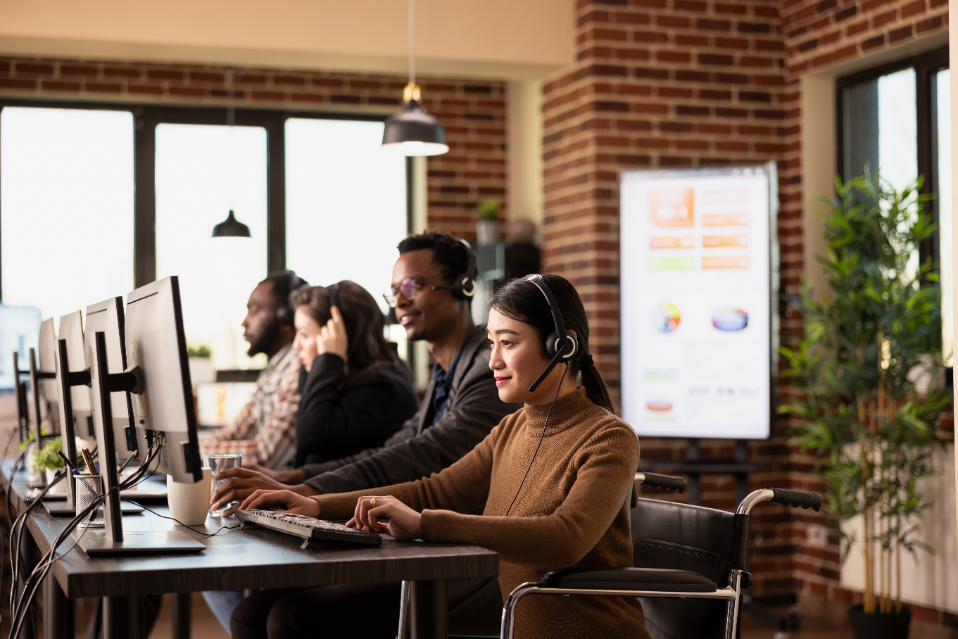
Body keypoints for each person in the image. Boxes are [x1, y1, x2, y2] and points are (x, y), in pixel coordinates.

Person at [237, 273, 651, 639]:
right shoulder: (511, 429)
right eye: (491, 344)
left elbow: (565, 538)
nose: (493, 361)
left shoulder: (609, 438)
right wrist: (315, 505)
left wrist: (424, 524)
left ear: (561, 345)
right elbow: (434, 489)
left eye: (508, 343)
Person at [208, 231, 522, 635]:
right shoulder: (445, 372)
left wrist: (311, 492)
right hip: (424, 546)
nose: (400, 301)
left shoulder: (487, 369)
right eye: (394, 291)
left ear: (463, 286)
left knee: (290, 618)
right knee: (252, 612)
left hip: (467, 561)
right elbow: (390, 448)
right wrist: (294, 479)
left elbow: (425, 455)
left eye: (412, 286)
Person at [289, 281, 419, 469]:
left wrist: (328, 358)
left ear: (341, 334)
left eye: (304, 335)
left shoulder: (380, 385)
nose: (296, 345)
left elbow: (309, 436)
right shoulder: (350, 375)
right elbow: (306, 396)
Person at [199, 271, 307, 469]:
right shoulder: (273, 370)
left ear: (287, 318)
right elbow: (233, 434)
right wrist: (177, 445)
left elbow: (264, 454)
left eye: (255, 311)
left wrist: (186, 451)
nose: (244, 322)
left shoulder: (299, 367)